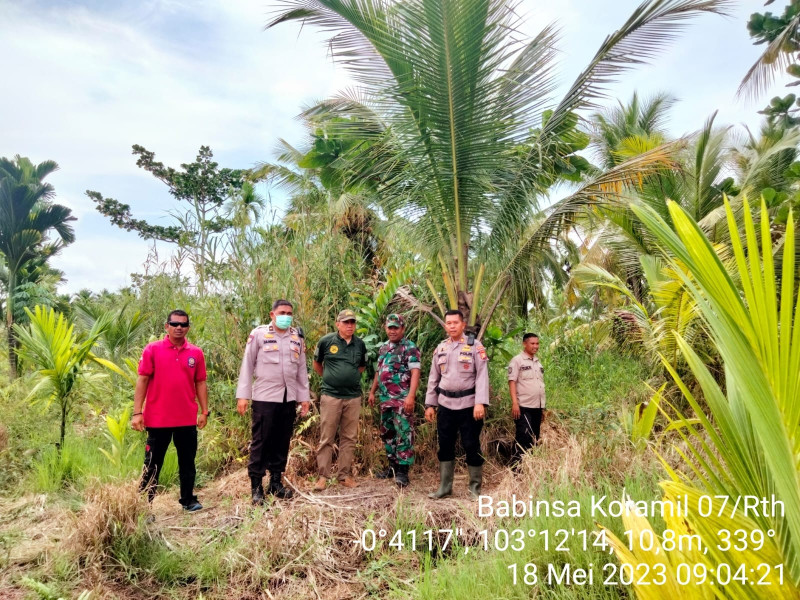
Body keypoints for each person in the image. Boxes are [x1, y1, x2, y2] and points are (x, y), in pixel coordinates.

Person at [132, 310, 209, 512]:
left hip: (186, 418)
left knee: (187, 462)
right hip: (158, 420)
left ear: (188, 328)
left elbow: (200, 382)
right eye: (174, 324)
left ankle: (188, 500)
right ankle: (144, 506)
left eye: (183, 325)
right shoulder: (152, 350)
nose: (179, 328)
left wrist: (204, 411)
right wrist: (137, 412)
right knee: (152, 465)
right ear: (166, 326)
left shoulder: (196, 353)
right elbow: (142, 380)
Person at [236, 299, 311, 504]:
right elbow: (247, 365)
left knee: (282, 441)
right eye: (282, 312)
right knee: (261, 441)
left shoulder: (297, 337)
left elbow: (301, 370)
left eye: (289, 312)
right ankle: (256, 487)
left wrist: (304, 398)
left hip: (288, 398)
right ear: (272, 314)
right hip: (264, 397)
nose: (286, 316)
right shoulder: (259, 334)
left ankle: (276, 483)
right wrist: (243, 395)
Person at [424, 309, 489, 500]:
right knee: (445, 446)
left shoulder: (475, 347)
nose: (451, 326)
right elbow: (433, 378)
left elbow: (482, 376)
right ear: (445, 326)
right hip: (445, 405)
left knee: (471, 445)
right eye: (448, 323)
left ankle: (474, 488)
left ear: (463, 325)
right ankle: (445, 487)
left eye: (455, 323)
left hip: (469, 405)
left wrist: (480, 403)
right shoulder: (441, 348)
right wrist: (430, 404)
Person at [312, 309, 368, 490]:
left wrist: (347, 379)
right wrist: (331, 378)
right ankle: (323, 477)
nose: (350, 325)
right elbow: (317, 364)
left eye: (352, 322)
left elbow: (361, 367)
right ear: (338, 324)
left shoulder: (360, 345)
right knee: (326, 436)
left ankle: (343, 476)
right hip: (331, 396)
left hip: (352, 397)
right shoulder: (326, 341)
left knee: (349, 437)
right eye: (346, 322)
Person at [367, 314, 421, 488]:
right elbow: (379, 371)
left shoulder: (410, 348)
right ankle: (392, 467)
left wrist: (411, 396)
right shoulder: (383, 348)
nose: (392, 331)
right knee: (387, 433)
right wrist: (372, 392)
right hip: (385, 399)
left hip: (402, 399)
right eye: (390, 327)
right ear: (385, 328)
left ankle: (403, 472)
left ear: (402, 329)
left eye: (396, 328)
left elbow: (415, 373)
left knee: (404, 434)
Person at [508, 333, 546, 461]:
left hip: (537, 407)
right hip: (523, 406)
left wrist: (542, 408)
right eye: (532, 343)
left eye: (537, 343)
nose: (535, 346)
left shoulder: (537, 362)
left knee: (534, 438)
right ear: (525, 344)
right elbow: (512, 382)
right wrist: (515, 403)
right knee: (523, 437)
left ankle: (529, 471)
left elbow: (540, 385)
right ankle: (516, 471)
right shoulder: (517, 360)